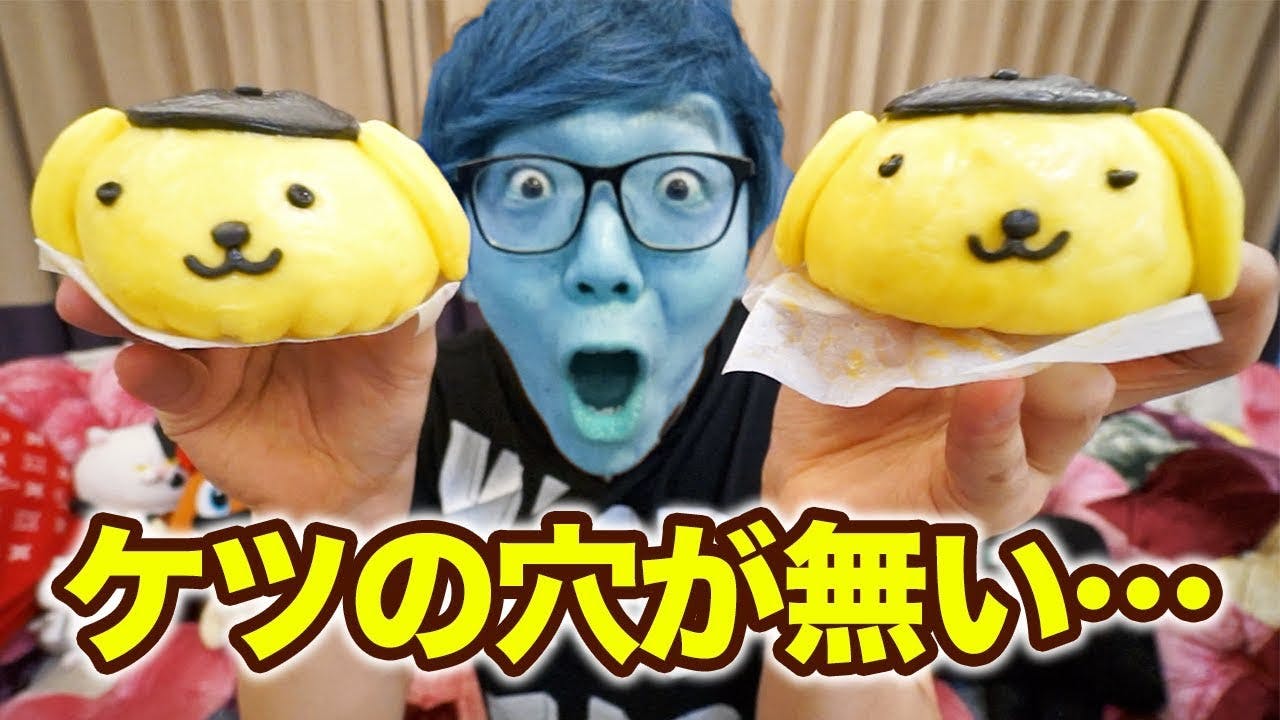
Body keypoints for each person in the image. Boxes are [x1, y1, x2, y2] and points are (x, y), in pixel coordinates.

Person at [54, 1, 1279, 718]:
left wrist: (867, 571)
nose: (602, 262)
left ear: (760, 226)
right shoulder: (375, 422)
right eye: (525, 188)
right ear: (446, 233)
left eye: (678, 188)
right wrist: (324, 528)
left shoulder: (850, 424)